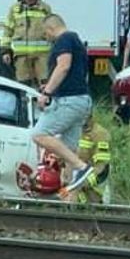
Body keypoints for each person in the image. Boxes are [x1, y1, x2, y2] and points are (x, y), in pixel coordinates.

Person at [32, 14, 94, 192]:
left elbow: (64, 66)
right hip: (81, 100)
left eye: (45, 34)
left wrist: (47, 92)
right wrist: (51, 84)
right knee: (68, 149)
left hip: (69, 101)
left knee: (39, 134)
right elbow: (74, 73)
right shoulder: (77, 41)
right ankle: (69, 186)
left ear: (51, 28)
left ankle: (82, 168)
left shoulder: (63, 39)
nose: (46, 38)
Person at [0, 0, 53, 86]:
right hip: (21, 57)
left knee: (45, 86)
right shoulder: (14, 9)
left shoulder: (45, 9)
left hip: (42, 57)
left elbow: (52, 30)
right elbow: (8, 31)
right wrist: (5, 51)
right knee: (23, 86)